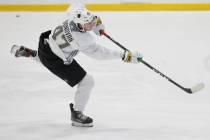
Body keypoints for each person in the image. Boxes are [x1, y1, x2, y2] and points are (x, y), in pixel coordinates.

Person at [10, 3, 143, 127]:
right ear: (80, 24)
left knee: (50, 58)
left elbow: (79, 5)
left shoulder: (73, 13)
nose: (91, 25)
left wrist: (96, 22)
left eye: (90, 22)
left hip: (45, 43)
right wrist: (123, 55)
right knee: (87, 82)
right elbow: (99, 53)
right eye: (88, 24)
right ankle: (77, 114)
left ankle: (33, 54)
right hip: (55, 58)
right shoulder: (82, 39)